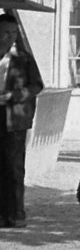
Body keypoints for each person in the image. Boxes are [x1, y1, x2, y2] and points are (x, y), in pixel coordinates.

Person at [0, 12, 45, 229]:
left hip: (15, 117)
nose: (8, 38)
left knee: (14, 166)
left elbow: (37, 85)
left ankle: (17, 213)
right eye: (5, 33)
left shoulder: (23, 59)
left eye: (12, 33)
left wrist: (16, 96)